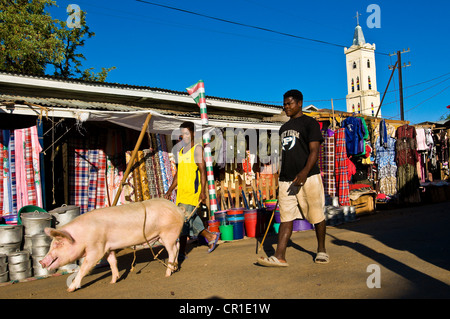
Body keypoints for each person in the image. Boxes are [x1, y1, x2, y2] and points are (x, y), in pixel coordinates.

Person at [257, 89, 329, 267]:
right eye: (284, 104)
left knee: (316, 214)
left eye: (289, 103)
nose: (285, 107)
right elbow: (286, 155)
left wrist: (304, 172)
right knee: (286, 217)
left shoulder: (310, 124)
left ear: (299, 104)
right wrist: (280, 177)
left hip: (309, 177)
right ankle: (279, 256)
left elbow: (314, 151)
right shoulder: (283, 128)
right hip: (286, 180)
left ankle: (321, 250)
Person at [165, 121, 220, 262]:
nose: (184, 136)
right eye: (182, 134)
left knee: (183, 222)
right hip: (181, 193)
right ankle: (211, 237)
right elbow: (178, 173)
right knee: (191, 219)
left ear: (193, 134)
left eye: (187, 134)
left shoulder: (197, 149)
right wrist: (170, 190)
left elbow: (203, 171)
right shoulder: (181, 151)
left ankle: (181, 252)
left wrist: (203, 191)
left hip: (192, 192)